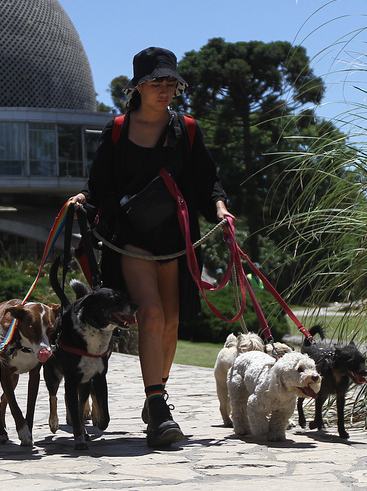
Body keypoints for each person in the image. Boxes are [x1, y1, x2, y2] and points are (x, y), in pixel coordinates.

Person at [70, 46, 233, 449]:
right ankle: (158, 409)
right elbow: (98, 184)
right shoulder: (118, 130)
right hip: (131, 238)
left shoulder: (188, 130)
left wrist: (220, 208)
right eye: (156, 83)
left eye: (170, 84)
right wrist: (81, 201)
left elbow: (207, 182)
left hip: (176, 240)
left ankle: (155, 392)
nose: (165, 91)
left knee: (173, 321)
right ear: (138, 88)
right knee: (153, 313)